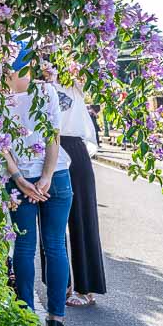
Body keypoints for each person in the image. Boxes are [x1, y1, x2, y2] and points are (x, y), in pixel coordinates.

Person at [3, 44, 74, 326]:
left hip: (20, 182)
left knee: (24, 246)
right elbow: (52, 138)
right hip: (55, 178)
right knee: (55, 244)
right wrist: (45, 178)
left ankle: (26, 317)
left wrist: (21, 179)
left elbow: (1, 146)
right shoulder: (46, 92)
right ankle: (56, 319)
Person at [55, 84, 106, 306]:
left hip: (73, 146)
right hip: (49, 145)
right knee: (53, 224)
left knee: (82, 218)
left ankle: (87, 288)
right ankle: (60, 283)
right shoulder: (35, 78)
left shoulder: (73, 78)